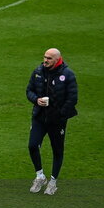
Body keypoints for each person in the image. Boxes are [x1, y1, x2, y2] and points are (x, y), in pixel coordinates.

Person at [27, 48, 78, 195]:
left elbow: (72, 98)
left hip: (57, 121)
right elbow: (29, 91)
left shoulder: (67, 75)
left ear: (57, 59)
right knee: (32, 145)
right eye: (44, 57)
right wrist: (36, 100)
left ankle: (53, 182)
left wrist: (60, 114)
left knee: (57, 150)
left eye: (49, 58)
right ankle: (40, 176)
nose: (45, 60)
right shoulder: (38, 71)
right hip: (39, 117)